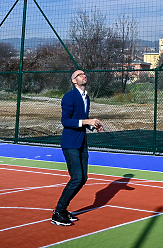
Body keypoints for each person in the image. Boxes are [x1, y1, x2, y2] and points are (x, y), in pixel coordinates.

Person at [52, 69, 102, 226]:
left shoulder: (86, 97)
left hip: (82, 143)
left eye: (84, 74)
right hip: (70, 143)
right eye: (80, 75)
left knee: (83, 178)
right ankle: (58, 212)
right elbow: (66, 121)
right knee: (77, 178)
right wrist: (87, 122)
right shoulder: (69, 96)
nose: (84, 76)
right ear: (74, 80)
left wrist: (93, 126)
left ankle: (63, 209)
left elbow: (83, 119)